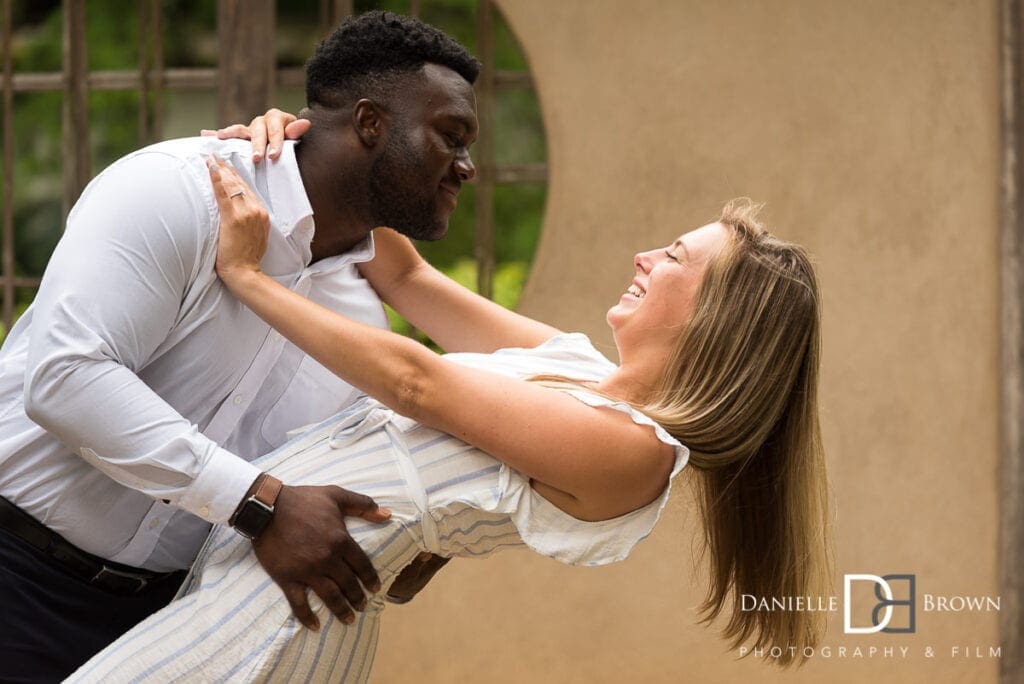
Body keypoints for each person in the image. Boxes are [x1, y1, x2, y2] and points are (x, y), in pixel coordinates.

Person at [69, 156, 832, 681]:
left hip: (281, 614)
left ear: (713, 320)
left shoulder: (636, 453)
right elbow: (403, 273)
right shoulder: (579, 372)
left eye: (673, 257)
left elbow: (417, 382)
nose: (643, 256)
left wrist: (244, 275)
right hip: (260, 578)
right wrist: (306, 156)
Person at [0, 12, 479, 679]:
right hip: (14, 571)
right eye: (449, 136)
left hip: (173, 625)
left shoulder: (359, 322)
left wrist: (404, 533)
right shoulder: (174, 191)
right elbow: (66, 377)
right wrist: (258, 502)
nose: (468, 167)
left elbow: (314, 490)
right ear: (371, 124)